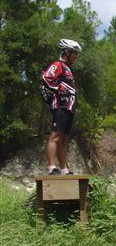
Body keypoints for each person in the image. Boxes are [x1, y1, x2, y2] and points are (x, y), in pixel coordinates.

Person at [41, 39, 81, 175]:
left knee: (64, 139)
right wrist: (58, 88)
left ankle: (64, 170)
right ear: (67, 53)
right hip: (60, 105)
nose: (76, 57)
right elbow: (46, 78)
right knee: (55, 136)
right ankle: (52, 168)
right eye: (74, 54)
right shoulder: (58, 64)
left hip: (69, 107)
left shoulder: (68, 69)